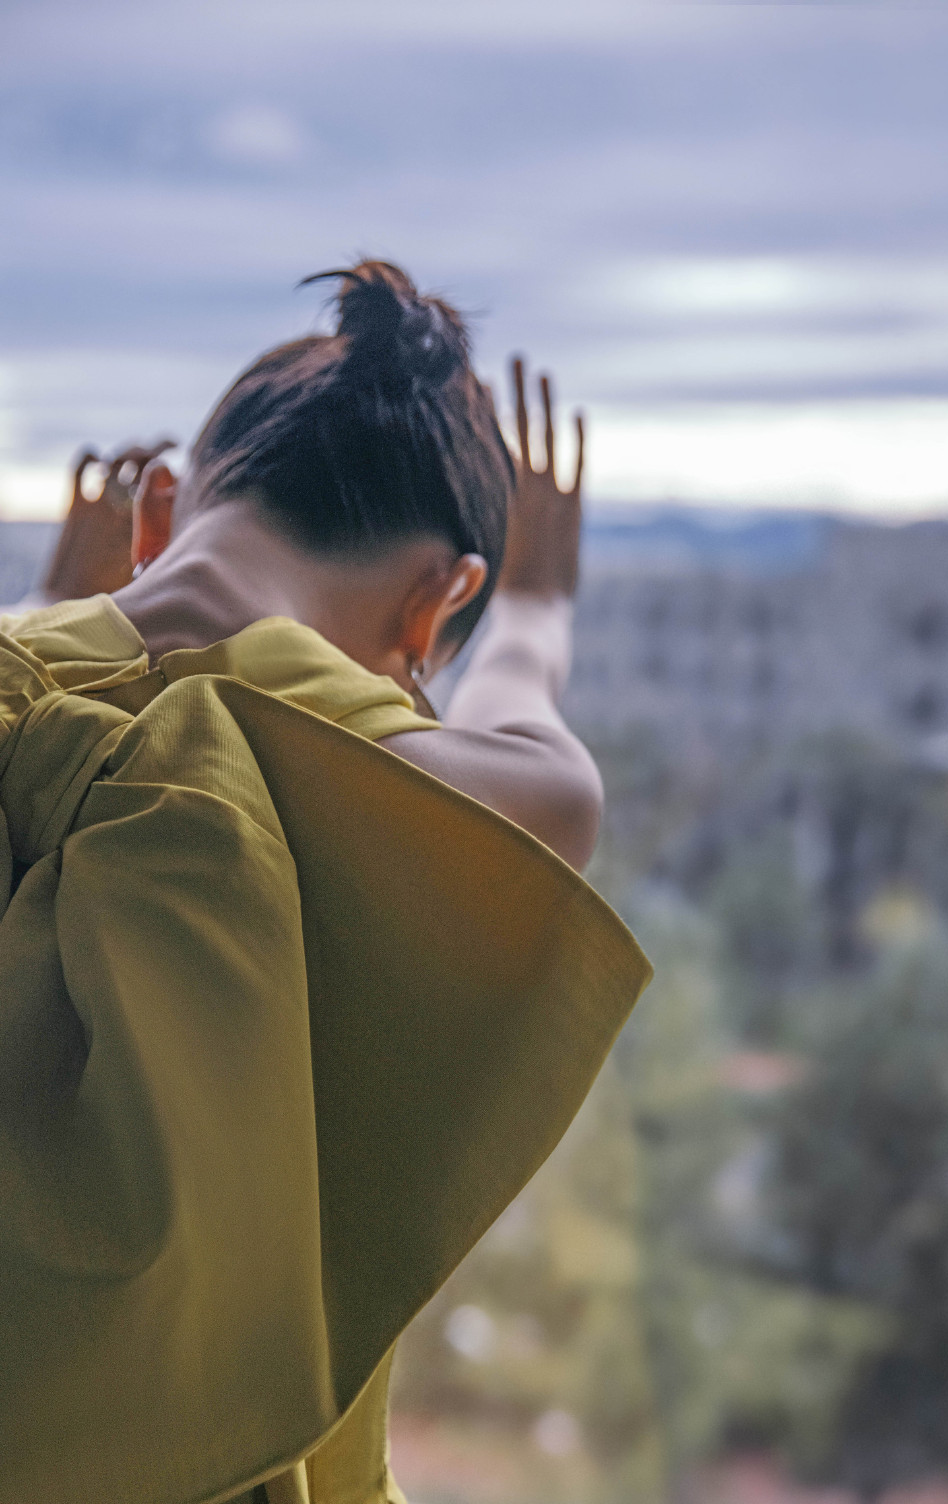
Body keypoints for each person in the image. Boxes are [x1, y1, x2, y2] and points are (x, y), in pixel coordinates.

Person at [0, 261, 650, 1504]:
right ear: (435, 607)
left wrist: (48, 602)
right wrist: (533, 612)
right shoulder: (352, 773)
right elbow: (551, 781)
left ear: (156, 513)